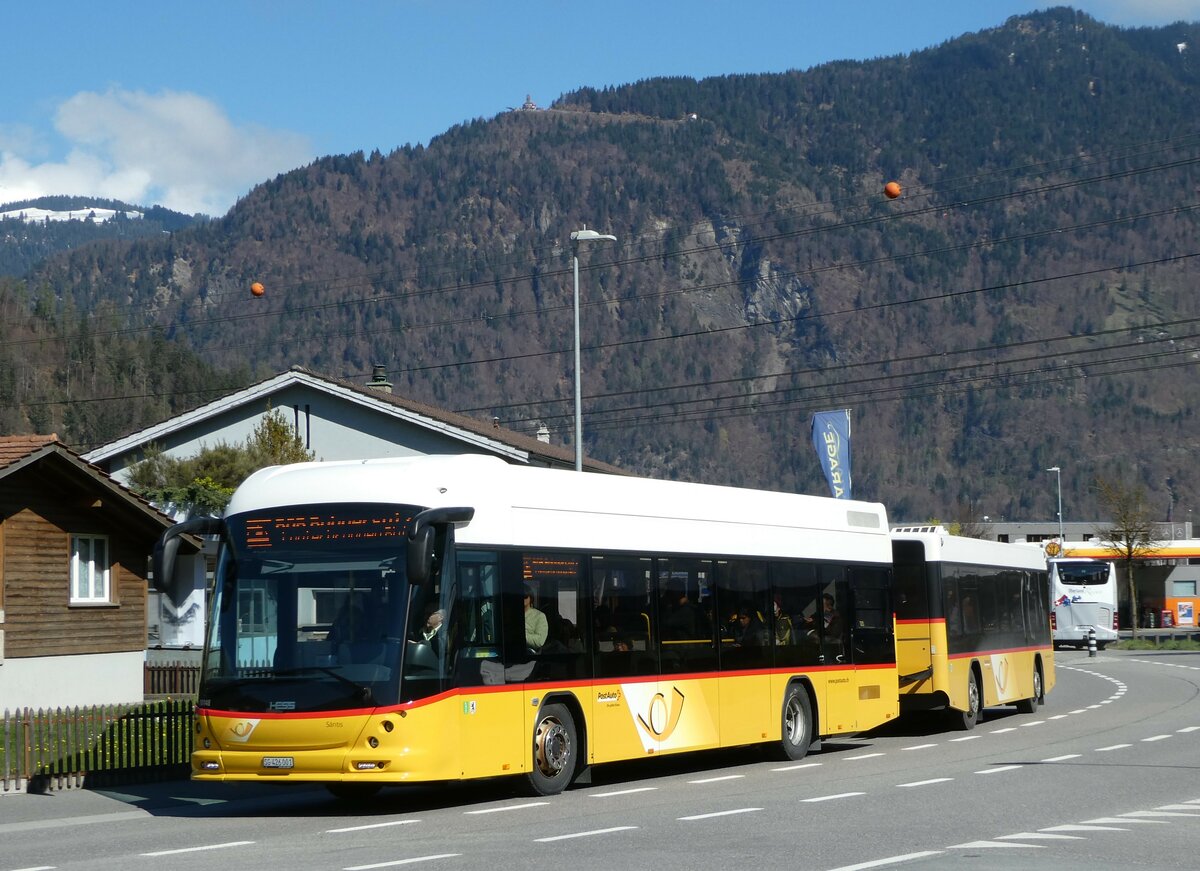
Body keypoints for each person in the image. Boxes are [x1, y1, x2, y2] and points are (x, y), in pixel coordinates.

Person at [524, 583, 548, 650]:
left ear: (530, 598)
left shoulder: (540, 616)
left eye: (525, 596)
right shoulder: (509, 616)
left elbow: (539, 641)